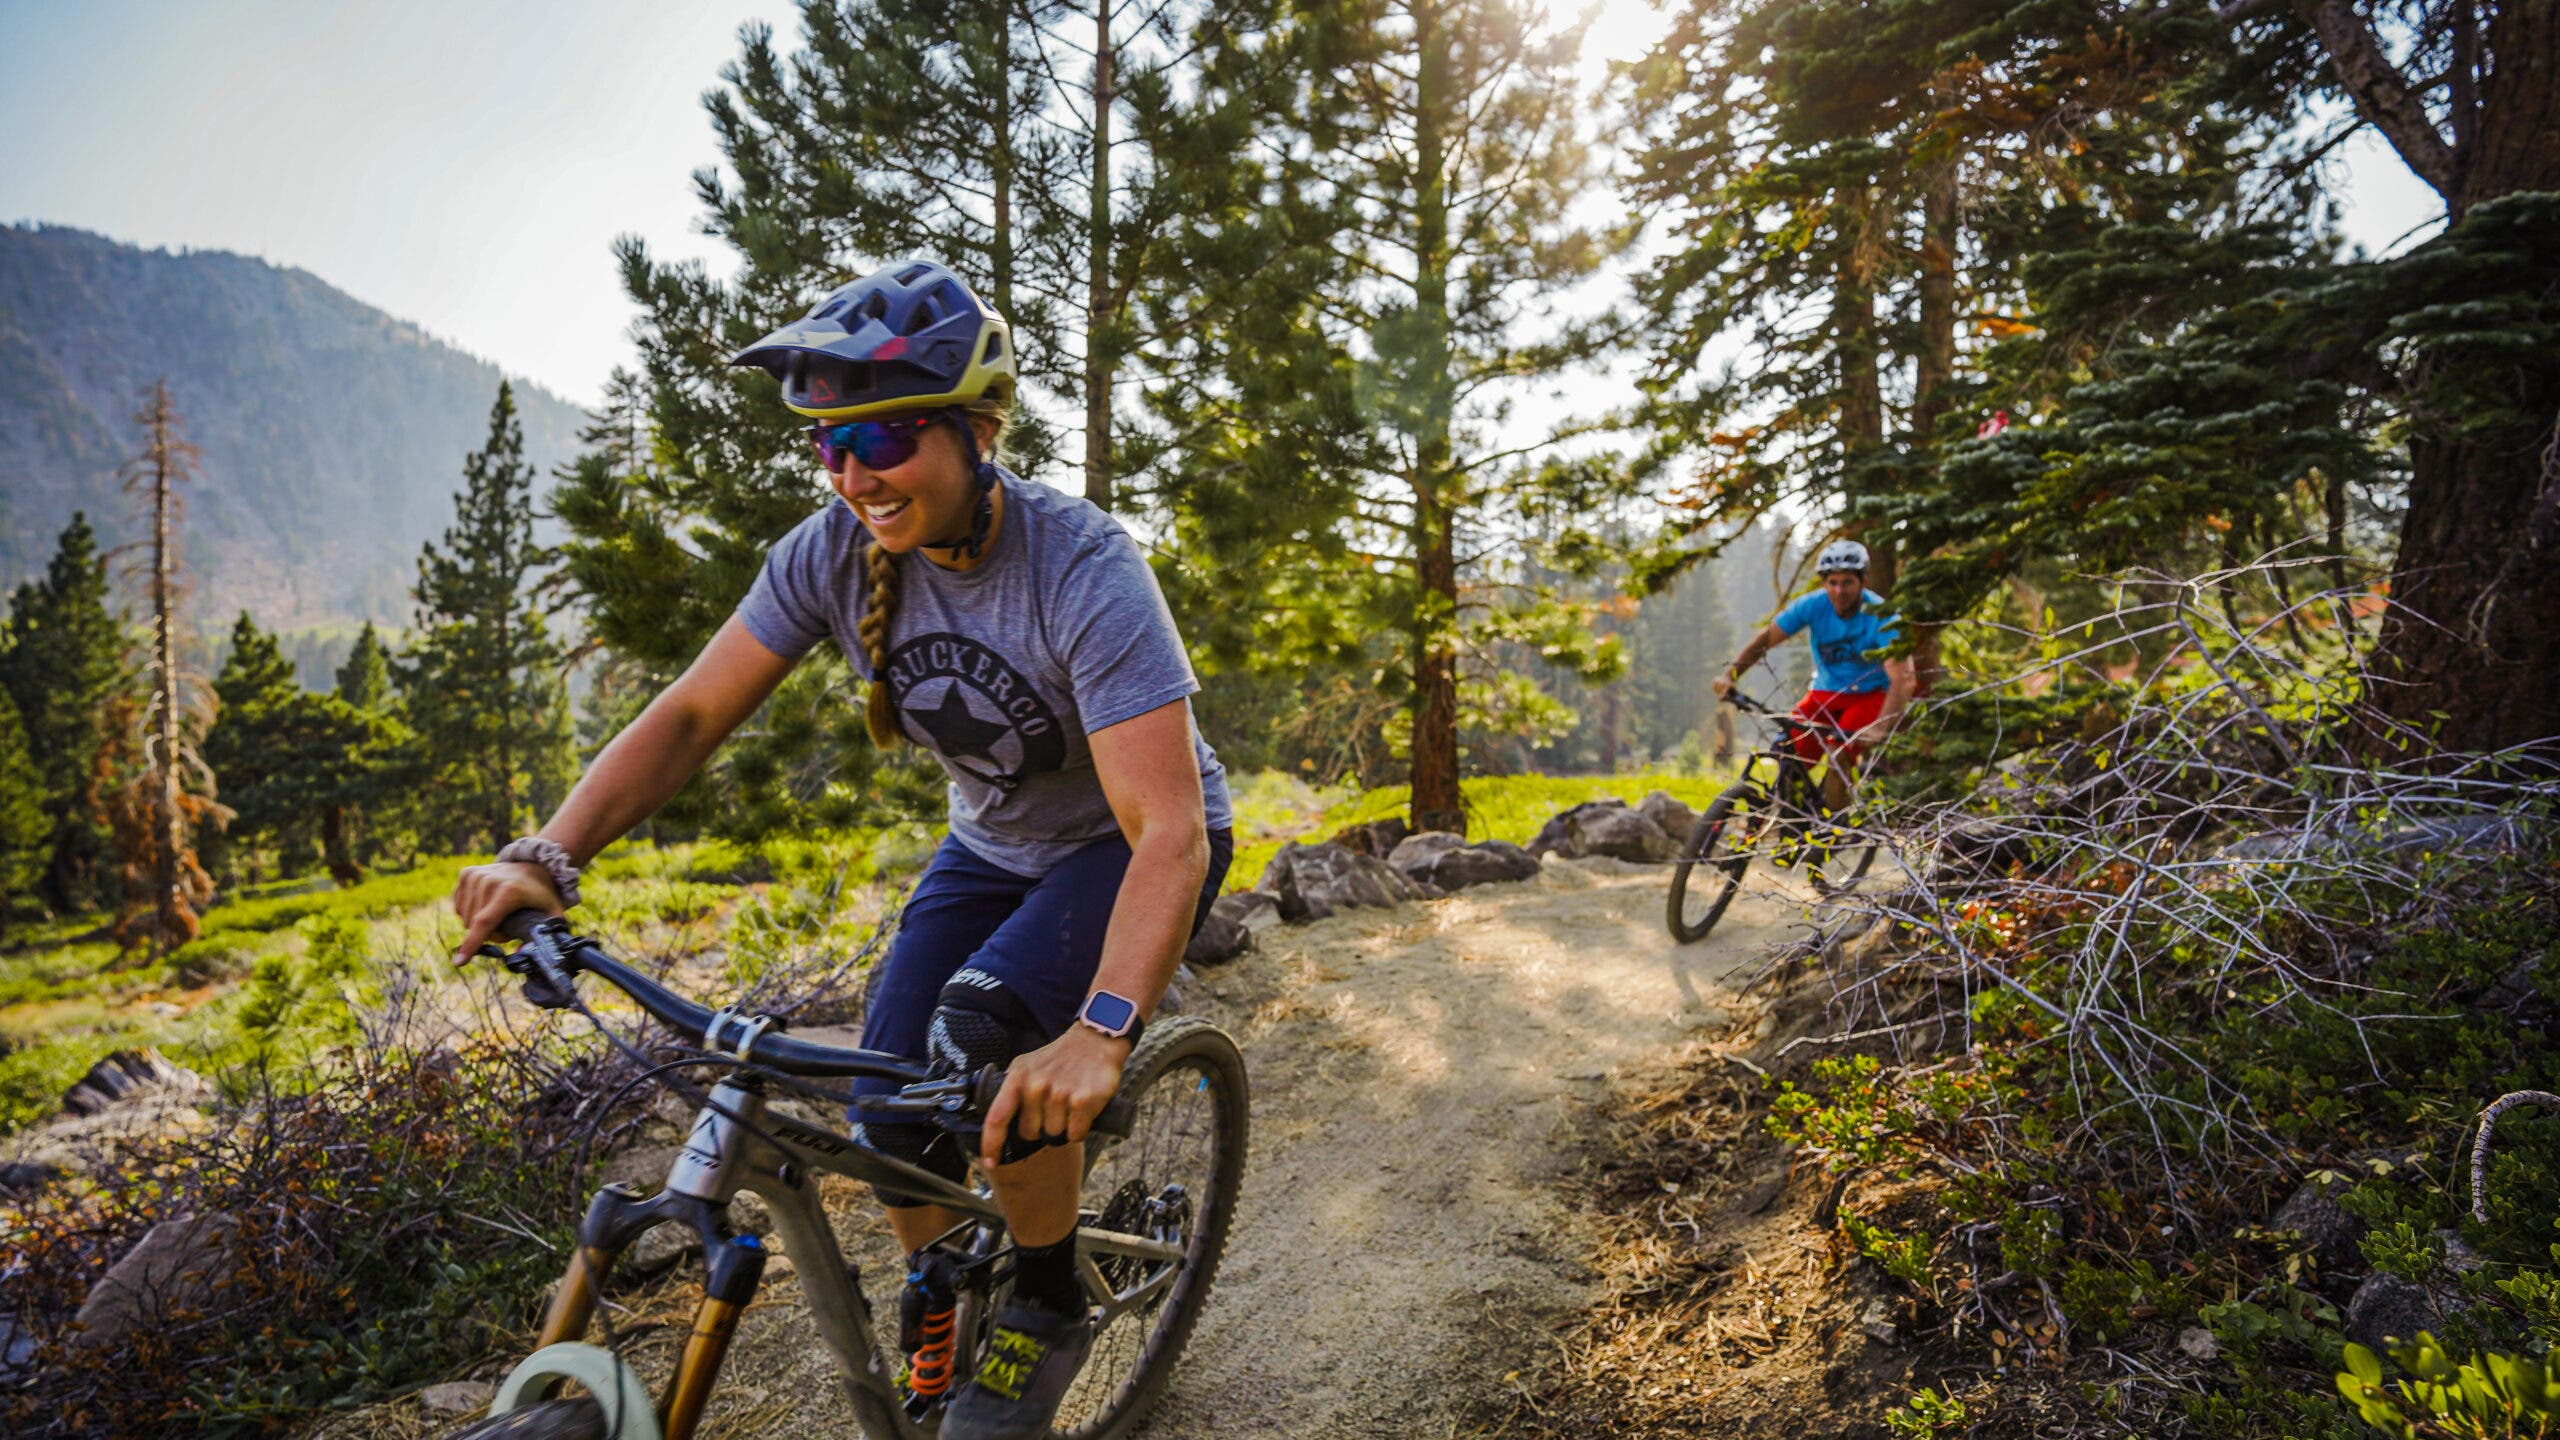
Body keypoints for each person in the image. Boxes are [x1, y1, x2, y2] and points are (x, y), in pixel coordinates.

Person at [445, 260, 1234, 1440]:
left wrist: (1100, 1031)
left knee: (977, 1030)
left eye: (883, 436)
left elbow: (1164, 829)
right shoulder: (826, 552)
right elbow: (690, 717)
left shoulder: (1082, 565)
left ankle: (1050, 1297)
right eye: (829, 446)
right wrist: (548, 857)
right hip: (991, 848)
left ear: (977, 432)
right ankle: (951, 1273)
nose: (855, 474)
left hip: (1126, 844)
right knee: (889, 1103)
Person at [1710, 539, 1915, 811]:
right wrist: (1731, 675)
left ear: (1863, 581)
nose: (1839, 590)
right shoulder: (1813, 606)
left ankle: (1830, 832)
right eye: (1832, 583)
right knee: (1790, 749)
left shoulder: (1882, 616)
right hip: (1824, 694)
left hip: (1869, 696)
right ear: (1824, 583)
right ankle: (1791, 823)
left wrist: (1880, 726)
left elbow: (1903, 677)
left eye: (1847, 582)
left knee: (1839, 753)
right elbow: (1766, 639)